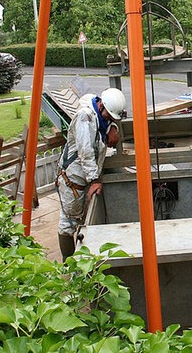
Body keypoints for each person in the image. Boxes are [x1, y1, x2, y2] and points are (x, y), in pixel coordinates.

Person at [56, 88, 126, 262]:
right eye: (109, 116)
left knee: (82, 218)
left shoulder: (99, 113)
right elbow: (85, 152)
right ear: (101, 105)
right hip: (73, 180)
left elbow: (104, 122)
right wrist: (94, 180)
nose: (109, 119)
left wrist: (113, 127)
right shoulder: (85, 117)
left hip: (84, 177)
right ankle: (69, 264)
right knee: (68, 223)